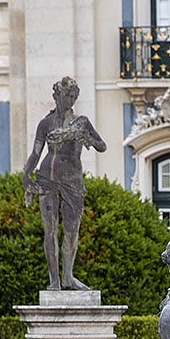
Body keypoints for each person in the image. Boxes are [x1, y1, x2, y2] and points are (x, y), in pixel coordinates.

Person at [22, 76, 107, 291]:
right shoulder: (46, 123)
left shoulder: (82, 122)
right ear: (57, 96)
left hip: (73, 181)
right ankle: (55, 281)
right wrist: (26, 176)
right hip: (48, 179)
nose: (69, 100)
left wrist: (86, 138)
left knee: (71, 231)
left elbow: (102, 145)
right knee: (50, 231)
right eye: (66, 95)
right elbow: (35, 153)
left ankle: (68, 276)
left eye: (73, 96)